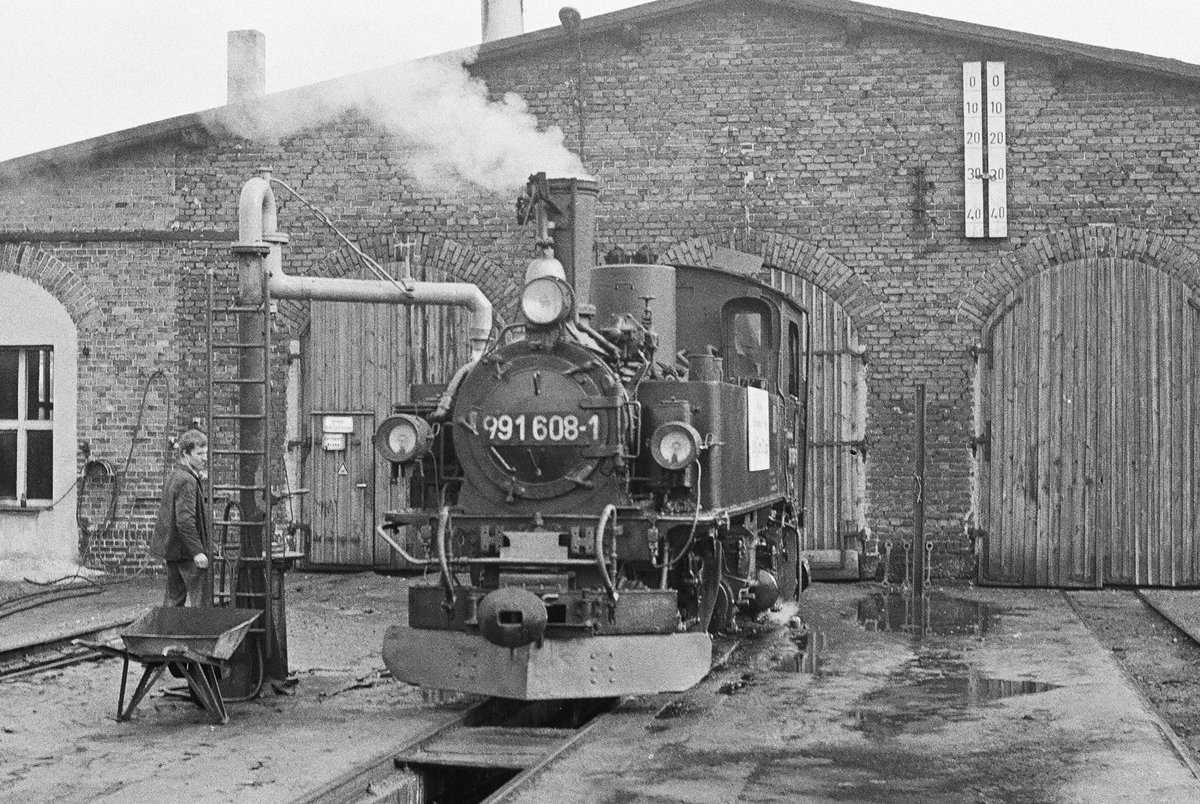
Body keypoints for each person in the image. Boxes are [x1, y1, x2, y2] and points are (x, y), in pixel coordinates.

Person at [150, 428, 210, 606]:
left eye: (205, 453)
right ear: (185, 453)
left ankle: (166, 633)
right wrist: (197, 551)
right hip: (186, 553)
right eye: (199, 454)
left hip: (173, 550)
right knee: (201, 604)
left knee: (173, 601)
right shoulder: (187, 480)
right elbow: (184, 520)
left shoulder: (176, 475)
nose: (204, 458)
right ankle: (201, 634)